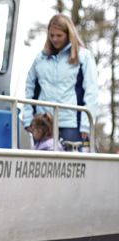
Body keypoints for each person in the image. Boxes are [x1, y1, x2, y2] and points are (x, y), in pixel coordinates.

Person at [22, 14, 98, 150]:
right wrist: (28, 119)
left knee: (71, 167)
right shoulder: (40, 59)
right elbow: (29, 89)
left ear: (69, 34)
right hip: (43, 124)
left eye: (59, 35)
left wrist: (87, 124)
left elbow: (91, 92)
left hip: (71, 124)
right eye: (52, 35)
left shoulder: (83, 57)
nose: (55, 39)